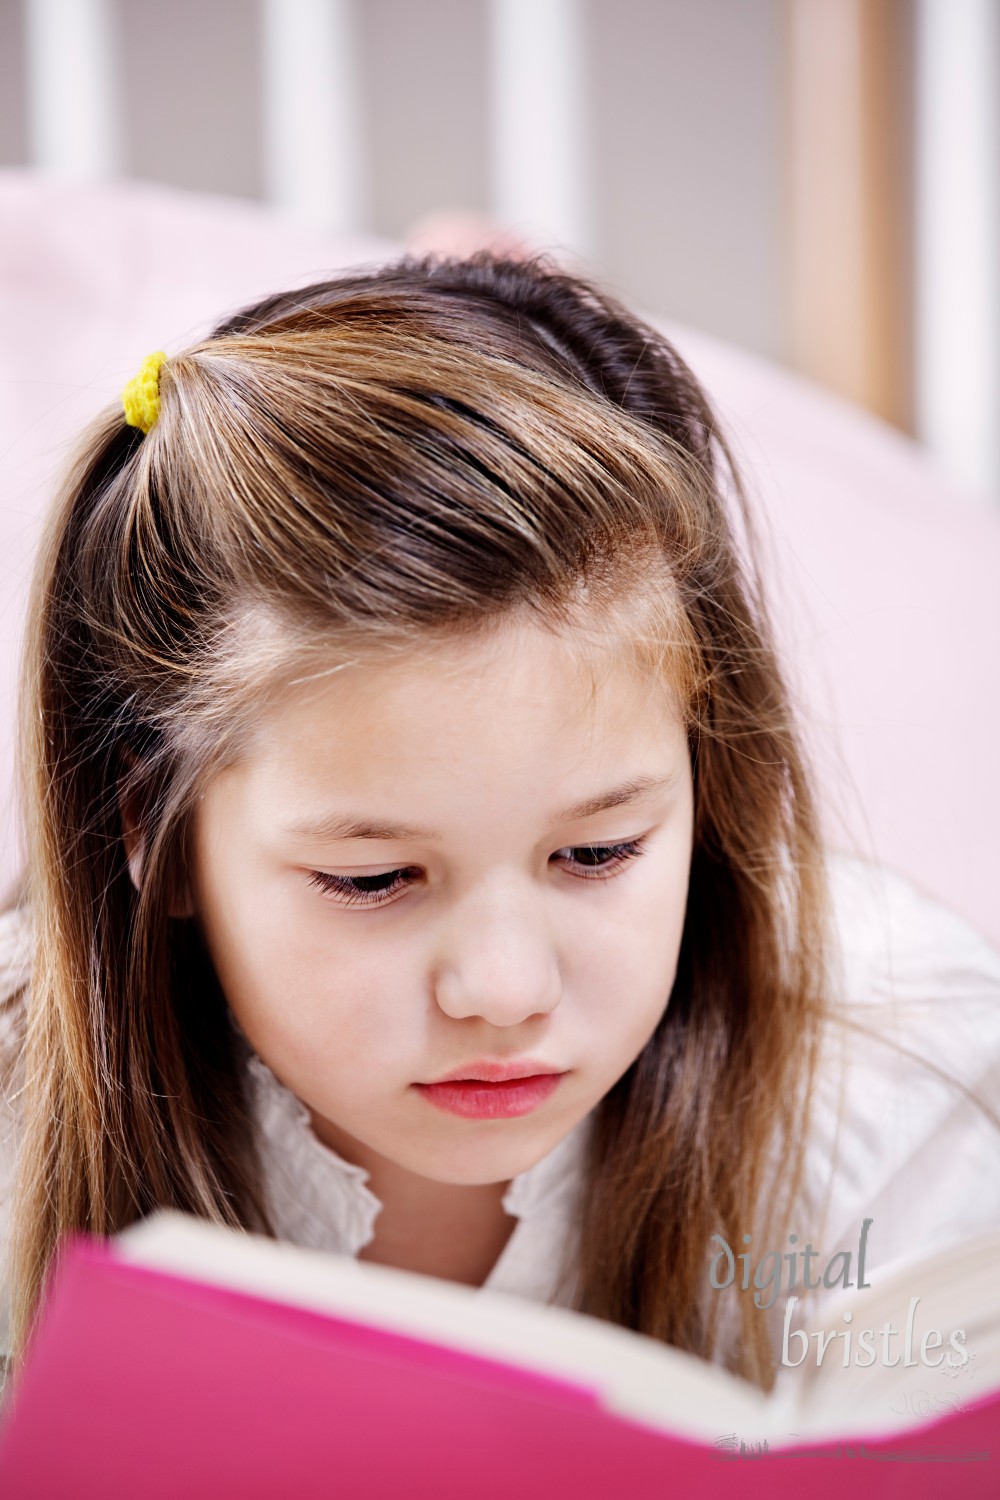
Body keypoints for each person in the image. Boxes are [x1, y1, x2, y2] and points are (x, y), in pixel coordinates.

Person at [0, 254, 997, 1401]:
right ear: (153, 832)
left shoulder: (906, 1084)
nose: (504, 990)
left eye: (596, 854)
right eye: (373, 878)